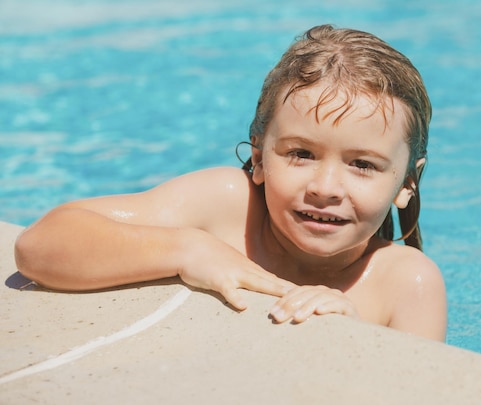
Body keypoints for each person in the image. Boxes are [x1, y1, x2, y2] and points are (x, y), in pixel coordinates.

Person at [14, 24, 447, 341]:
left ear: (407, 183)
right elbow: (40, 246)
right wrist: (188, 248)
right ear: (259, 158)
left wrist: (353, 339)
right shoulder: (224, 207)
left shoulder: (405, 283)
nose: (326, 186)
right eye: (301, 154)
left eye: (363, 165)